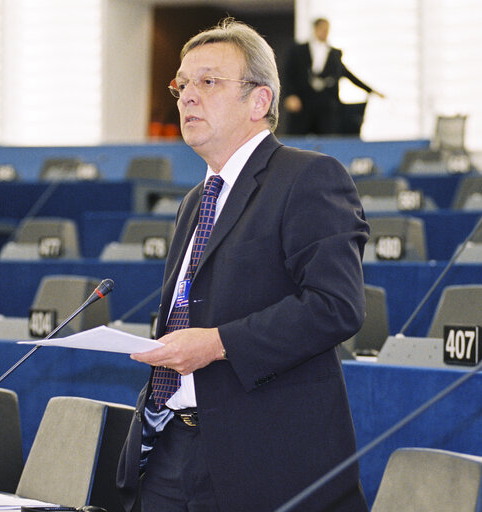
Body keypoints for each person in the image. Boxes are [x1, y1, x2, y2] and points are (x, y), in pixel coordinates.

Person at [116, 18, 370, 512]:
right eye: (182, 84)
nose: (188, 95)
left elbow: (335, 306)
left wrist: (216, 344)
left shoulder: (310, 177)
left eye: (207, 82)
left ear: (260, 101)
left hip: (261, 458)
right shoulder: (195, 201)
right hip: (171, 450)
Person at [283, 17, 384, 135]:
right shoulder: (298, 50)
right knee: (298, 137)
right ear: (315, 29)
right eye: (322, 29)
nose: (324, 32)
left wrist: (371, 90)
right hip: (304, 103)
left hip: (326, 105)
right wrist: (290, 95)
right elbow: (288, 73)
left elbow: (348, 75)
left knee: (328, 136)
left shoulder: (334, 54)